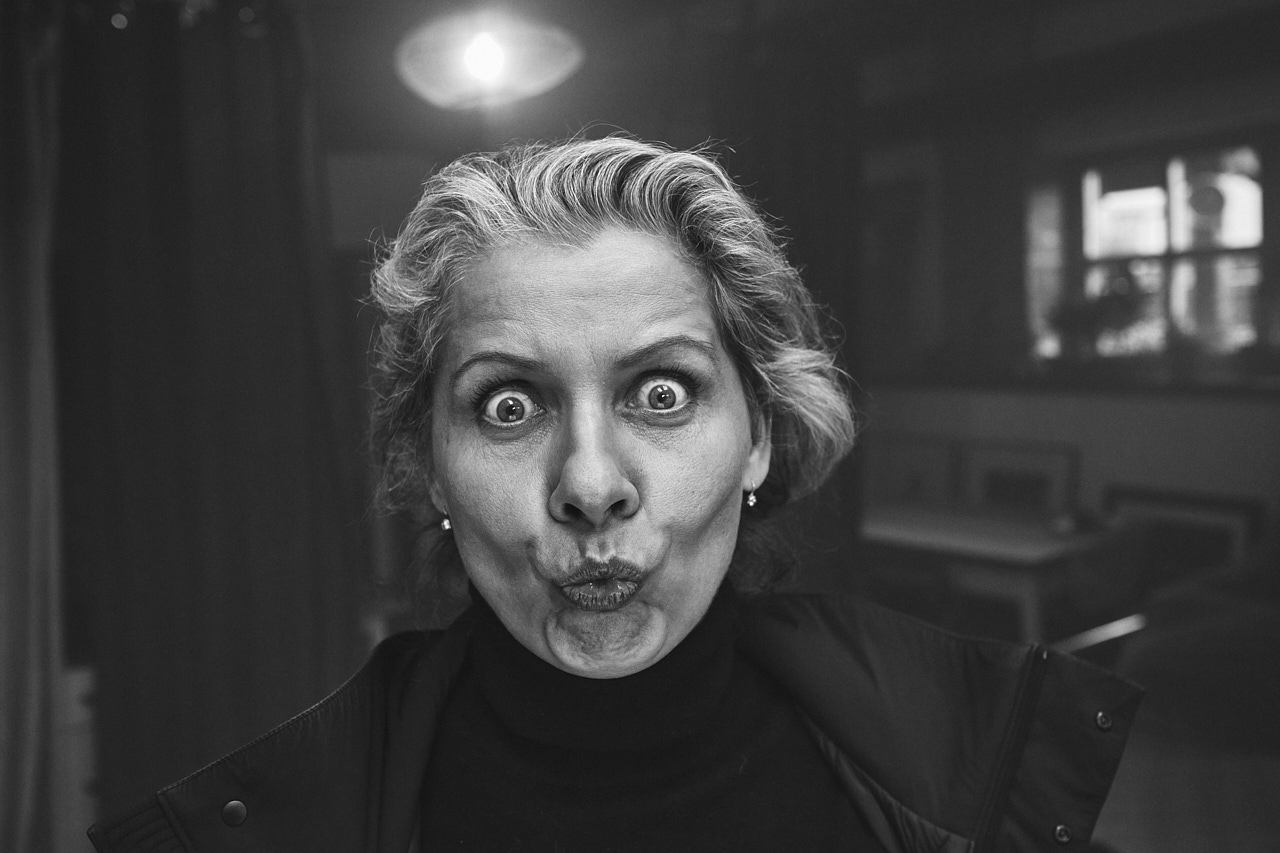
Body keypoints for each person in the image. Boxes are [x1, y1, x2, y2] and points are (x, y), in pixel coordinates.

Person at [89, 137, 1140, 852]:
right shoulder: (272, 826)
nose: (591, 485)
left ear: (757, 437)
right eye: (508, 406)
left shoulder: (974, 788)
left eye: (661, 392)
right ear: (429, 463)